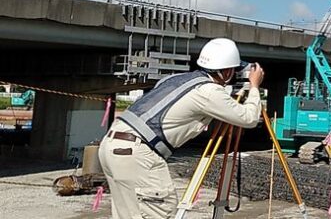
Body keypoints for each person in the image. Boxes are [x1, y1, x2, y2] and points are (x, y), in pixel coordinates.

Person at [98, 38, 264, 218]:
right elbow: (249, 118)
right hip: (138, 153)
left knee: (130, 213)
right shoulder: (208, 91)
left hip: (112, 145)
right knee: (160, 209)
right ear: (225, 71)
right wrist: (254, 87)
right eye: (234, 70)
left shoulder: (175, 79)